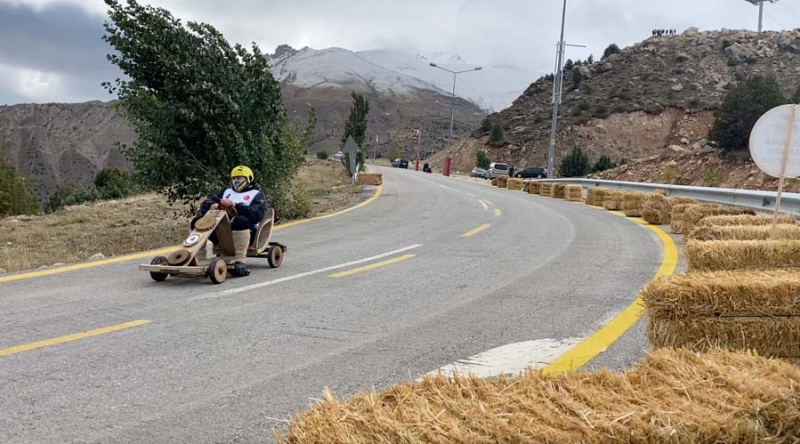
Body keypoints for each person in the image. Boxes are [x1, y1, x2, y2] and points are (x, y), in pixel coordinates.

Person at [191, 165, 268, 277]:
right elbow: (206, 203)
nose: (236, 181)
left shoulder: (256, 194)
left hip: (247, 232)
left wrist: (235, 206)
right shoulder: (226, 192)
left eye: (240, 178)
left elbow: (256, 215)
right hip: (222, 233)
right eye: (234, 178)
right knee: (198, 221)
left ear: (249, 179)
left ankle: (240, 260)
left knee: (238, 220)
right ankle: (200, 258)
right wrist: (211, 205)